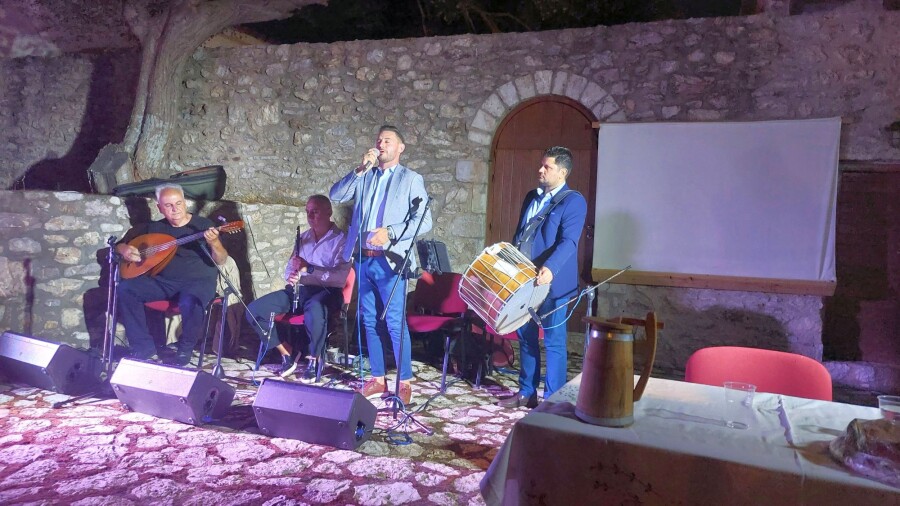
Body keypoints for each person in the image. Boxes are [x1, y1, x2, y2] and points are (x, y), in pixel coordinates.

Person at [330, 125, 432, 406]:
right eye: (379, 140)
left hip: (391, 262)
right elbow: (336, 196)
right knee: (369, 320)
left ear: (400, 148)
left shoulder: (411, 179)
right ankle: (377, 378)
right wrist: (359, 169)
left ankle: (404, 381)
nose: (381, 144)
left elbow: (424, 221)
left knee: (395, 322)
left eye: (388, 140)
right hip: (364, 259)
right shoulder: (365, 176)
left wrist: (391, 232)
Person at [498, 146, 587, 408]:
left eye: (547, 167)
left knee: (553, 342)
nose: (540, 170)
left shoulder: (573, 201)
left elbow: (569, 241)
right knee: (526, 338)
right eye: (541, 165)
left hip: (553, 283)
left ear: (563, 172)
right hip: (524, 281)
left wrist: (550, 268)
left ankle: (552, 400)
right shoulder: (531, 196)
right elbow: (521, 235)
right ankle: (527, 393)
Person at [116, 183, 229, 366]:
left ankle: (185, 349)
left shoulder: (202, 225)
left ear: (185, 203)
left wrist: (215, 242)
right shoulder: (154, 228)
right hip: (163, 282)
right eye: (168, 205)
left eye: (178, 203)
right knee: (126, 289)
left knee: (190, 301)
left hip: (198, 283)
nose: (175, 209)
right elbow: (120, 245)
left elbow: (221, 259)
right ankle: (143, 347)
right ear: (159, 208)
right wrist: (124, 250)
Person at [246, 195, 350, 381]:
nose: (310, 216)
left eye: (315, 211)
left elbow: (340, 276)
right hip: (300, 291)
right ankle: (287, 352)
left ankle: (314, 360)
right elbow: (290, 267)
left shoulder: (341, 239)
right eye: (307, 212)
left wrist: (309, 269)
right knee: (254, 310)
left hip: (328, 292)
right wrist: (292, 275)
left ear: (328, 212)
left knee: (316, 308)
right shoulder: (303, 238)